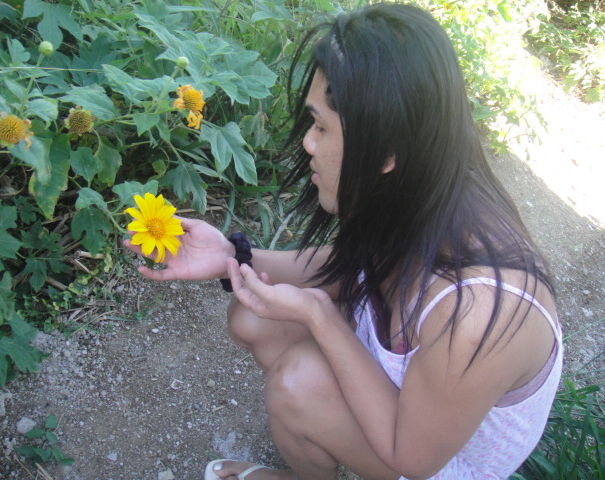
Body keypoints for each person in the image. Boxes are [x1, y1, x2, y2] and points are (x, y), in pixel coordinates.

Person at [125, 3, 562, 479]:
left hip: (435, 459)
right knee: (254, 317)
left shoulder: (477, 313)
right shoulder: (423, 189)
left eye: (321, 127)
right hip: (404, 396)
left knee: (297, 383)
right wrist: (232, 255)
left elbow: (411, 459)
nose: (308, 143)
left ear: (387, 153)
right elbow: (354, 267)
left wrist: (319, 315)